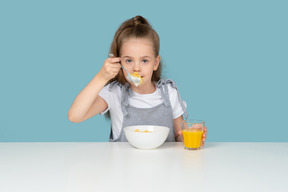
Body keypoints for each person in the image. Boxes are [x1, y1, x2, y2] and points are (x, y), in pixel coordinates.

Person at [68, 15, 207, 144]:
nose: (136, 68)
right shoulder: (115, 93)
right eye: (129, 60)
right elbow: (75, 116)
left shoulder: (169, 92)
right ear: (119, 62)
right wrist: (101, 77)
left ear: (155, 63)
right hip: (123, 168)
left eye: (144, 61)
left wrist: (193, 136)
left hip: (166, 168)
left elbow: (179, 136)